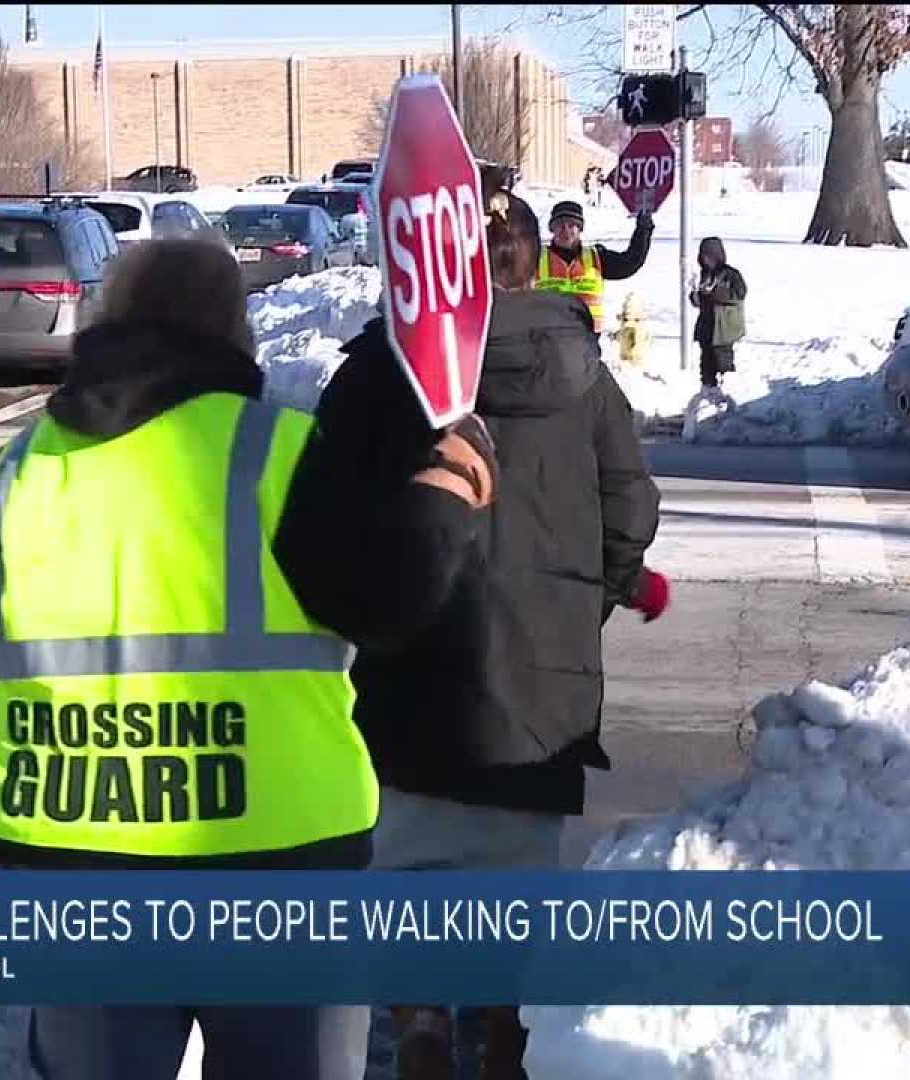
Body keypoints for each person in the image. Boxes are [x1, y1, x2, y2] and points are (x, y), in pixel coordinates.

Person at [0, 236, 499, 1080]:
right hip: (278, 866)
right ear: (233, 332)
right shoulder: (277, 451)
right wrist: (450, 488)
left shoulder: (26, 468)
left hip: (77, 868)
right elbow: (390, 598)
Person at [305, 168, 665, 1080]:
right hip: (542, 674)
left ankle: (423, 1021)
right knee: (515, 870)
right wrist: (592, 596)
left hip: (406, 661)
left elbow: (321, 524)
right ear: (533, 260)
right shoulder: (581, 374)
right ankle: (504, 1027)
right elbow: (632, 504)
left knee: (414, 858)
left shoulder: (379, 373)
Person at [535, 200, 654, 330]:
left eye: (572, 225)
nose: (566, 230)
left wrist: (643, 228)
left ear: (580, 229)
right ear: (552, 229)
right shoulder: (535, 258)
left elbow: (630, 263)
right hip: (547, 340)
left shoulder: (596, 257)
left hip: (586, 340)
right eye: (560, 225)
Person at [687, 236, 748, 399]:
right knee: (706, 363)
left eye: (709, 256)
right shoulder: (704, 274)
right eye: (703, 256)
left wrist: (715, 293)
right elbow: (702, 299)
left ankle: (727, 395)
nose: (706, 260)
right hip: (707, 326)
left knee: (723, 363)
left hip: (724, 328)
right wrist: (696, 297)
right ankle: (708, 392)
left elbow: (739, 294)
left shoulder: (731, 274)